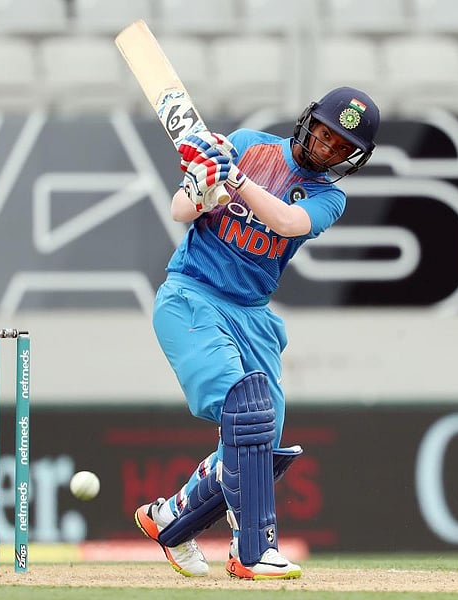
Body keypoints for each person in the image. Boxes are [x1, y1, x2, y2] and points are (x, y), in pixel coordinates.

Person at [133, 86, 380, 580]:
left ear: (353, 157)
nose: (328, 148)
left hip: (254, 316)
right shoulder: (247, 142)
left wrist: (234, 178)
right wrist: (206, 179)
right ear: (308, 122)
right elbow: (182, 211)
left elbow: (286, 222)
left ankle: (169, 521)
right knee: (245, 412)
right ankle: (254, 549)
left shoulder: (329, 197)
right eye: (325, 134)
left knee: (258, 443)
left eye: (341, 146)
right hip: (192, 296)